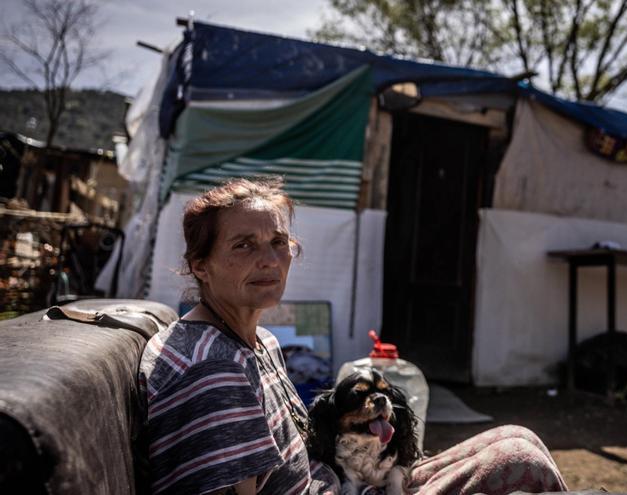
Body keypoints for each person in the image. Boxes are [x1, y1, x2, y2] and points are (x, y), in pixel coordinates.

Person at [139, 177, 568, 494]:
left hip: (345, 484)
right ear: (200, 265)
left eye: (278, 241)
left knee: (519, 436)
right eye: (244, 245)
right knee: (523, 462)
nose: (270, 260)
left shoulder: (259, 341)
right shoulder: (213, 369)